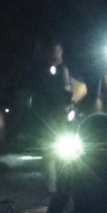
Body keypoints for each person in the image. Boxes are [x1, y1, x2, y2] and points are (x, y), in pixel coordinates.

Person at [30, 43, 73, 194]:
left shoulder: (65, 69)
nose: (55, 53)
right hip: (46, 116)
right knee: (48, 151)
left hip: (62, 115)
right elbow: (37, 93)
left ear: (62, 51)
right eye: (52, 50)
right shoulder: (41, 70)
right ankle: (52, 186)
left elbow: (69, 90)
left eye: (57, 50)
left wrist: (69, 107)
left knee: (66, 151)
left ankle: (65, 183)